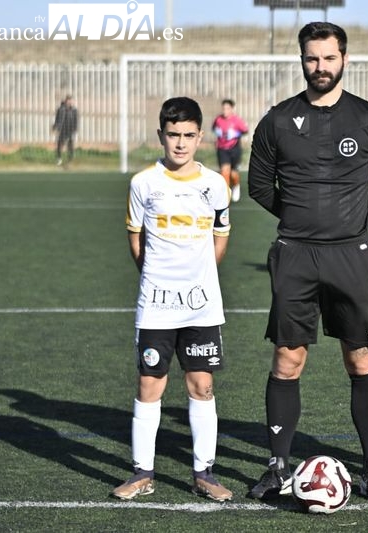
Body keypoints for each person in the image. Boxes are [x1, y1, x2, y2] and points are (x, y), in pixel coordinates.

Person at [246, 21, 368, 502]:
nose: (321, 66)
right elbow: (259, 186)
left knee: (361, 358)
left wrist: (353, 219)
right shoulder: (277, 120)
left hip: (351, 255)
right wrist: (299, 218)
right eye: (312, 58)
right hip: (294, 254)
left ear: (344, 59)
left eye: (329, 58)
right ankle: (277, 467)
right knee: (287, 359)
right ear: (301, 60)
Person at [112, 96, 233, 502]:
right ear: (160, 135)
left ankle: (205, 473)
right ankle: (142, 473)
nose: (180, 143)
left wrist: (200, 277)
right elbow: (135, 237)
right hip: (156, 305)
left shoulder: (214, 184)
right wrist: (155, 276)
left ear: (200, 137)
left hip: (201, 304)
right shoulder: (143, 183)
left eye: (188, 135)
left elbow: (221, 236)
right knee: (149, 385)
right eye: (173, 134)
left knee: (202, 385)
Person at [212, 99, 249, 202]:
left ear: (232, 109)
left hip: (234, 149)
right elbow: (214, 128)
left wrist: (236, 134)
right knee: (225, 172)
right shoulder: (218, 119)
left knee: (233, 174)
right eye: (223, 108)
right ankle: (225, 195)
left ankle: (236, 185)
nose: (225, 111)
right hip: (222, 149)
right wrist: (217, 132)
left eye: (227, 108)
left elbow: (245, 130)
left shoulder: (237, 120)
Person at [52, 95, 78, 167]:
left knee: (71, 146)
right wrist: (55, 127)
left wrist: (75, 129)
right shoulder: (61, 109)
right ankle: (59, 159)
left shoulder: (74, 110)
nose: (70, 102)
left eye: (71, 101)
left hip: (70, 130)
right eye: (68, 100)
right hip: (63, 129)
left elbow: (76, 120)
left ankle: (70, 160)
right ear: (66, 101)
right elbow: (57, 119)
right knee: (60, 145)